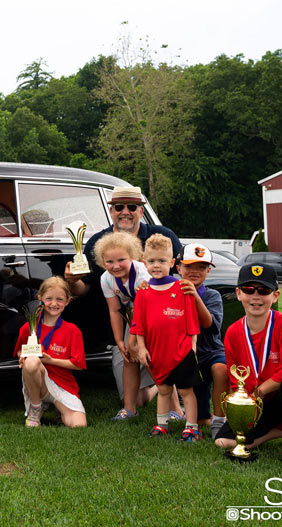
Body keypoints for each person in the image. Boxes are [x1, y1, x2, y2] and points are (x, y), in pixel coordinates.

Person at [64, 185, 182, 417]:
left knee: (155, 361)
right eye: (119, 206)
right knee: (134, 391)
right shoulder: (99, 247)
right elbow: (101, 301)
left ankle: (176, 406)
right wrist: (71, 281)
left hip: (159, 321)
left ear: (141, 210)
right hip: (130, 323)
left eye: (132, 206)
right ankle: (135, 405)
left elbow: (174, 284)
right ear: (111, 211)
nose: (125, 211)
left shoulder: (162, 238)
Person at [214, 264, 282, 466]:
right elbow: (235, 379)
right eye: (249, 290)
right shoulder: (232, 332)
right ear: (238, 294)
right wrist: (243, 407)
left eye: (263, 290)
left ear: (275, 296)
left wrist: (260, 391)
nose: (256, 296)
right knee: (223, 441)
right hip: (257, 404)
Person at [131, 234, 202, 441]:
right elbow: (139, 324)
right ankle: (162, 424)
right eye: (151, 261)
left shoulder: (182, 288)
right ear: (144, 263)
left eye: (162, 261)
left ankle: (192, 427)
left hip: (181, 350)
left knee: (186, 391)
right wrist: (141, 348)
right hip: (156, 351)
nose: (156, 265)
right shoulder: (143, 292)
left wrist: (193, 345)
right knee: (163, 389)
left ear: (172, 263)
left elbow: (192, 320)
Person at [93, 231, 165, 421]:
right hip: (133, 318)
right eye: (109, 262)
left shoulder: (143, 275)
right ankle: (129, 409)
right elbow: (115, 310)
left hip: (155, 319)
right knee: (128, 358)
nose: (115, 266)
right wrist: (120, 341)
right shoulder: (106, 279)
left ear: (132, 256)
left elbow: (148, 313)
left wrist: (133, 342)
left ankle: (176, 410)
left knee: (152, 362)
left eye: (121, 260)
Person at [14, 276, 87, 429]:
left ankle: (57, 408)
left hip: (63, 384)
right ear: (40, 299)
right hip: (39, 383)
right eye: (49, 299)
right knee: (32, 362)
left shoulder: (72, 331)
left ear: (67, 301)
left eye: (60, 299)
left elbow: (78, 364)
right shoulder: (29, 327)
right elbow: (21, 350)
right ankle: (36, 407)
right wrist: (23, 358)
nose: (54, 303)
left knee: (78, 425)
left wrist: (49, 360)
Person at [177, 244, 227, 439]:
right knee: (197, 417)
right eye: (189, 266)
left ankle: (219, 420)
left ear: (208, 270)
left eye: (201, 267)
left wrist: (194, 295)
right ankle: (197, 417)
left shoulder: (213, 295)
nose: (194, 272)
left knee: (221, 369)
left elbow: (208, 324)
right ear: (178, 268)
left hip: (211, 351)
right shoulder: (172, 292)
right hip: (187, 352)